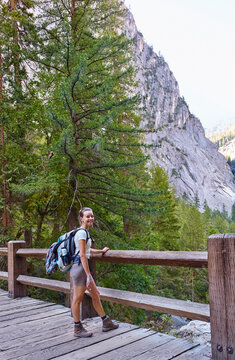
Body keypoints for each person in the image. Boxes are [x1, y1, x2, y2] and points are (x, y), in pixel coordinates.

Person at [70, 206, 119, 338]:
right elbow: (82, 255)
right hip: (80, 268)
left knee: (95, 294)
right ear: (81, 218)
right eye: (87, 216)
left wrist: (101, 251)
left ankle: (106, 322)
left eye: (92, 216)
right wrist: (88, 276)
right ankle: (77, 328)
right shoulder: (81, 233)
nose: (90, 218)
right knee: (77, 299)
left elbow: (87, 250)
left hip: (81, 268)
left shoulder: (85, 232)